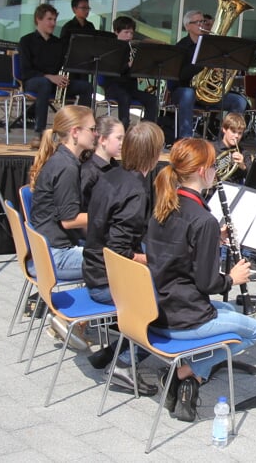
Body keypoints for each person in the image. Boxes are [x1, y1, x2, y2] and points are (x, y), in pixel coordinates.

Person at [143, 138, 256, 422]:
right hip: (183, 318)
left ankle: (191, 379)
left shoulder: (164, 206)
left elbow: (180, 254)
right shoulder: (203, 220)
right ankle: (184, 373)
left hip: (157, 307)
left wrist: (213, 243)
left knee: (232, 312)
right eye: (213, 166)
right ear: (201, 171)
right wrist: (232, 279)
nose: (216, 171)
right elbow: (209, 284)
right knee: (254, 330)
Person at [82, 122, 165, 394]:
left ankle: (112, 351)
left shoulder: (111, 175)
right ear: (153, 155)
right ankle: (124, 364)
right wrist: (151, 261)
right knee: (173, 303)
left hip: (93, 270)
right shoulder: (136, 190)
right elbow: (119, 252)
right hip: (106, 282)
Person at [27, 105, 97, 350]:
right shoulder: (67, 167)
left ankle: (81, 319)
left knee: (106, 252)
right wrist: (104, 215)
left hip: (45, 251)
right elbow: (69, 220)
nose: (96, 134)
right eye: (92, 129)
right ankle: (69, 320)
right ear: (76, 132)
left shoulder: (62, 159)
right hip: (55, 256)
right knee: (119, 265)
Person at [18, 3, 93, 149]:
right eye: (49, 19)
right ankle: (39, 133)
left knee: (86, 87)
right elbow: (26, 71)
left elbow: (63, 66)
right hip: (34, 81)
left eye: (54, 20)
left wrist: (64, 77)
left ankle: (81, 130)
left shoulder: (58, 43)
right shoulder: (26, 41)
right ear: (38, 20)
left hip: (54, 82)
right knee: (44, 84)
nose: (53, 23)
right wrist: (49, 77)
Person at [171, 10, 248, 140]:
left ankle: (225, 140)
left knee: (239, 101)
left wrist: (222, 68)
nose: (202, 24)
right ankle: (186, 139)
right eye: (198, 22)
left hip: (208, 94)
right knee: (188, 93)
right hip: (184, 91)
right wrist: (203, 64)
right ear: (188, 26)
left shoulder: (212, 46)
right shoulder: (181, 46)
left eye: (203, 21)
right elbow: (179, 75)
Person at [105, 16, 159, 128]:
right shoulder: (111, 49)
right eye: (126, 32)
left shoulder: (133, 49)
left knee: (152, 99)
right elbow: (110, 71)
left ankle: (147, 129)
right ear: (116, 32)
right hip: (114, 87)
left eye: (131, 33)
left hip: (130, 87)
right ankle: (123, 127)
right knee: (124, 97)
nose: (129, 36)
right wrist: (127, 65)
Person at [80, 116, 123, 211]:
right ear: (103, 140)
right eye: (119, 138)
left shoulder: (116, 167)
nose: (122, 143)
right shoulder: (88, 172)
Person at [215, 112, 249, 184]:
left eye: (240, 133)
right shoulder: (212, 148)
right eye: (233, 132)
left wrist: (242, 166)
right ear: (224, 129)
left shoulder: (243, 153)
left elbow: (251, 177)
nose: (236, 136)